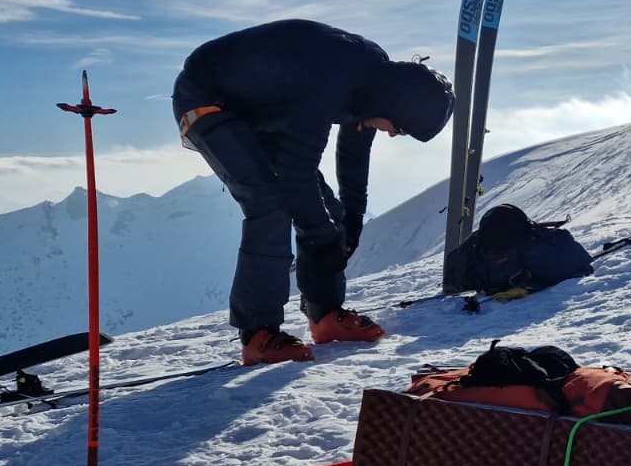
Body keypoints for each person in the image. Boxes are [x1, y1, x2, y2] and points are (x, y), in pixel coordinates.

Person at [172, 19, 453, 365]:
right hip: (206, 97)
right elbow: (295, 174)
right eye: (398, 128)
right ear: (394, 106)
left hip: (260, 111)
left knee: (327, 210)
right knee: (269, 205)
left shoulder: (374, 86)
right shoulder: (333, 77)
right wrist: (323, 240)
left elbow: (352, 159)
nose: (394, 135)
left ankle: (324, 316)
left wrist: (351, 223)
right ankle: (258, 334)